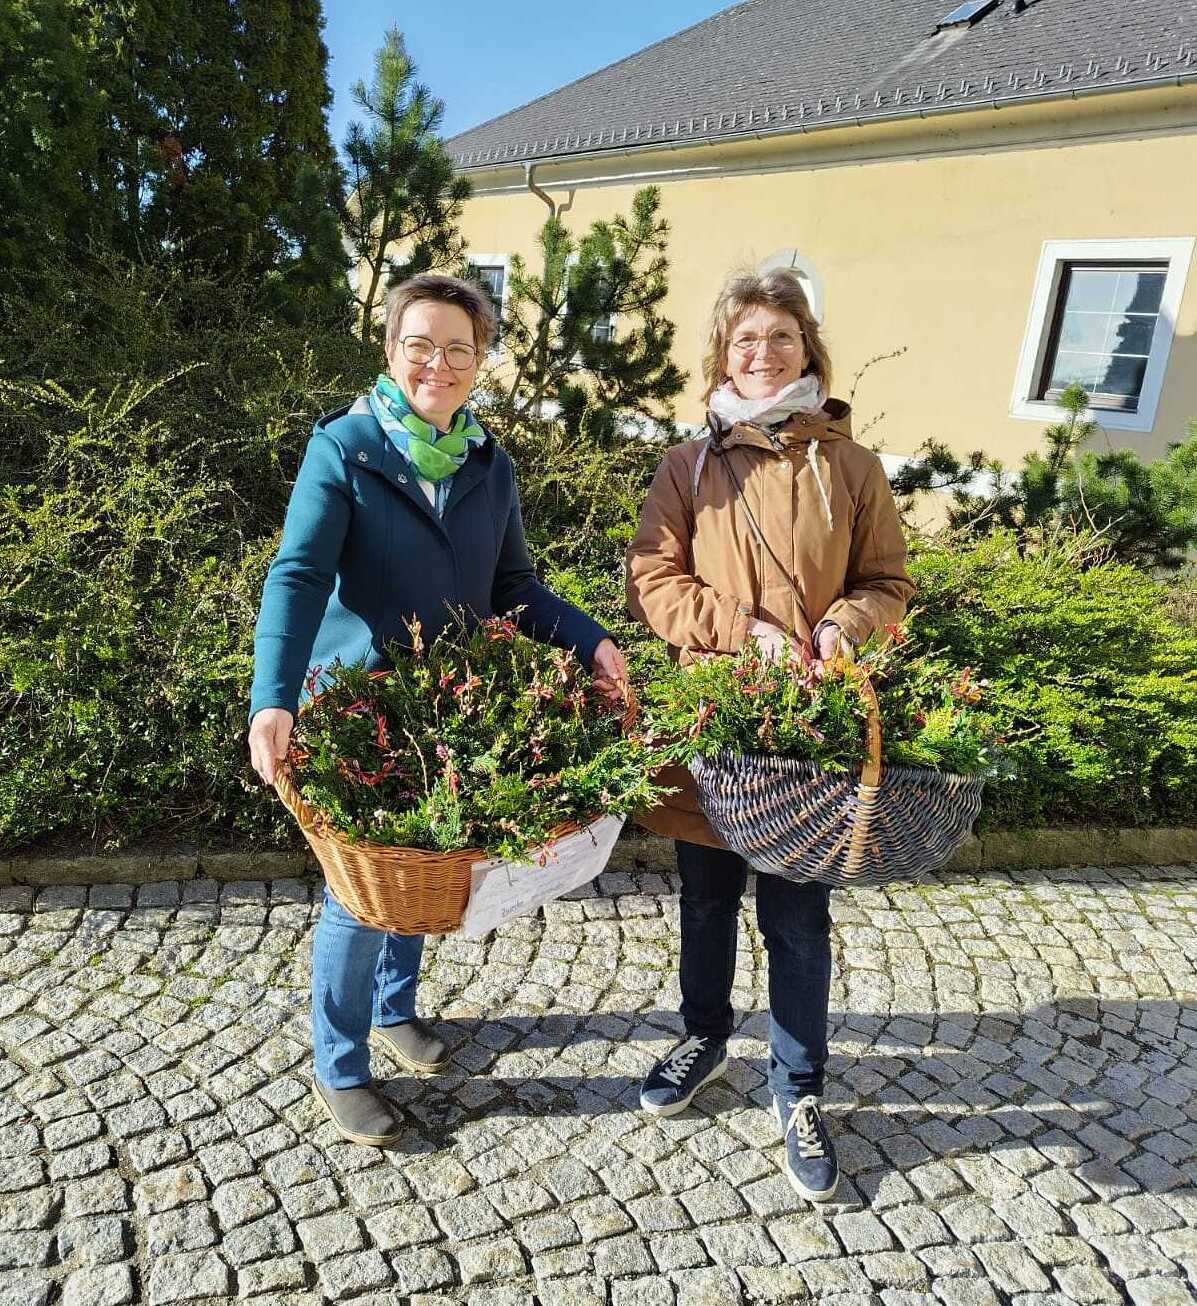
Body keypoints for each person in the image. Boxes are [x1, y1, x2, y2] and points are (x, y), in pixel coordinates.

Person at [248, 273, 627, 1147]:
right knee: (360, 893)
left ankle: (394, 1010)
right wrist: (274, 699)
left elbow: (514, 587)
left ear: (479, 361)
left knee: (427, 867)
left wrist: (590, 639)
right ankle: (339, 1065)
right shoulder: (344, 450)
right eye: (420, 344)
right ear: (390, 350)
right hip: (355, 712)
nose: (439, 364)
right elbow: (298, 576)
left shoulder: (490, 467)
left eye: (459, 348)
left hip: (445, 712)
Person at [625, 267, 913, 1201]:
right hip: (715, 718)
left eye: (779, 338)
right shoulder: (685, 466)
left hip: (812, 727)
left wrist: (842, 627)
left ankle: (797, 1088)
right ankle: (701, 1039)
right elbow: (653, 582)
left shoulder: (851, 465)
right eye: (745, 339)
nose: (762, 353)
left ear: (807, 349)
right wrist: (736, 629)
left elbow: (888, 583)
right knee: (704, 901)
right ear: (722, 353)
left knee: (795, 915)